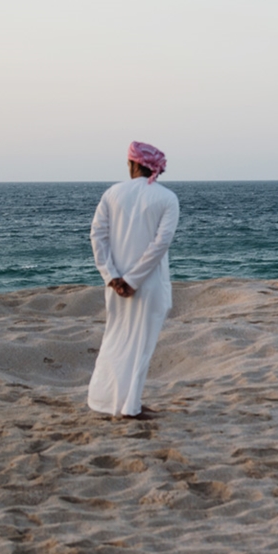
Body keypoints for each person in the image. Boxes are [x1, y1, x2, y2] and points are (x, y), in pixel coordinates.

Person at [88, 141, 179, 419]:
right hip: (148, 285)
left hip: (116, 286)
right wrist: (132, 280)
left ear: (134, 164)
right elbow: (159, 245)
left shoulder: (112, 193)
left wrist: (113, 276)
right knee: (141, 346)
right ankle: (129, 406)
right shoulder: (167, 198)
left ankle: (114, 402)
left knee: (116, 339)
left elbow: (98, 237)